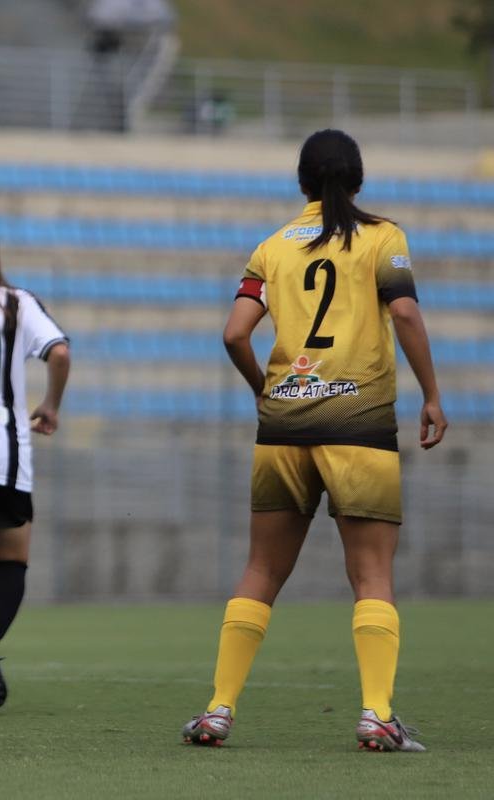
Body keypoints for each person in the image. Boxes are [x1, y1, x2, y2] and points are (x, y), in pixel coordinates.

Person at [181, 129, 447, 752]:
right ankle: (376, 714)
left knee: (261, 570)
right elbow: (404, 314)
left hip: (284, 424)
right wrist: (432, 395)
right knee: (372, 573)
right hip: (360, 425)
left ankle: (218, 710)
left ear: (301, 183)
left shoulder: (272, 247)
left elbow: (234, 334)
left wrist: (263, 392)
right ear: (358, 182)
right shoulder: (384, 238)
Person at [0, 203, 70, 710]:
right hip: (7, 445)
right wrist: (50, 405)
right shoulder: (18, 303)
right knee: (9, 562)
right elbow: (60, 352)